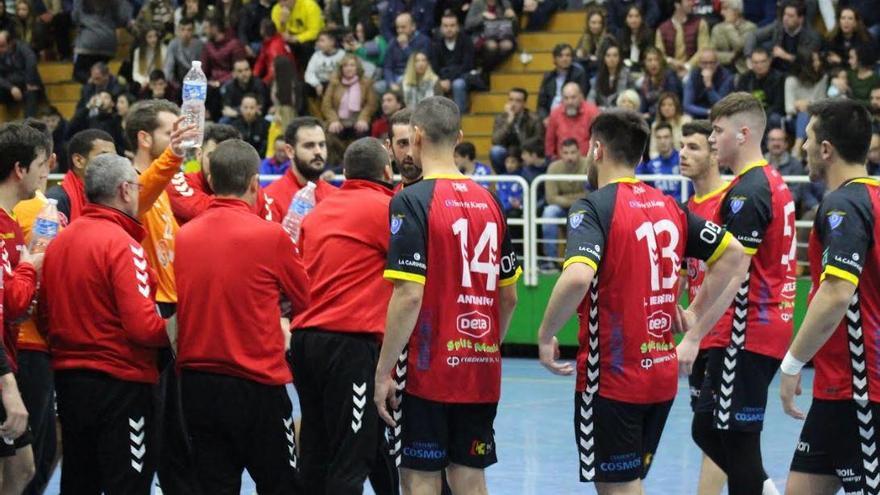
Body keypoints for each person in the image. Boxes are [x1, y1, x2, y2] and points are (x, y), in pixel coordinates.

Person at [535, 109, 747, 495]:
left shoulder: (594, 207)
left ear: (596, 150)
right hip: (660, 374)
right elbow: (734, 254)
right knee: (629, 482)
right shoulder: (670, 206)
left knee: (616, 486)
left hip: (613, 378)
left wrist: (547, 332)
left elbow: (578, 276)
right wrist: (695, 312)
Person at [374, 96, 521, 495]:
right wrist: (485, 347)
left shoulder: (411, 199)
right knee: (470, 476)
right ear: (458, 137)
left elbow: (408, 294)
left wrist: (383, 371)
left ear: (416, 136)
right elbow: (509, 299)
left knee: (419, 479)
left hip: (426, 371)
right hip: (479, 368)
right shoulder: (491, 202)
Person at [174, 139, 308, 494]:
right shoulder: (271, 235)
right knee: (281, 484)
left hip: (197, 384)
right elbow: (306, 296)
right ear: (255, 184)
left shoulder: (184, 236)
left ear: (212, 182)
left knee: (214, 485)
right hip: (256, 383)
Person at [37, 152, 171, 494]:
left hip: (69, 382)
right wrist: (178, 327)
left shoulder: (58, 243)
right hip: (122, 386)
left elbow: (44, 315)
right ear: (126, 190)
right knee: (129, 484)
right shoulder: (123, 245)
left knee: (79, 481)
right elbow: (143, 327)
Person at [687, 92, 796, 495]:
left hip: (746, 329)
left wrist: (695, 328)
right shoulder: (770, 182)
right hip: (764, 327)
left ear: (743, 133)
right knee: (723, 434)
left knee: (725, 434)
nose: (713, 139)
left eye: (717, 131)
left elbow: (733, 269)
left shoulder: (748, 192)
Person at [778, 98, 879, 495]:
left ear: (826, 148)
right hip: (837, 388)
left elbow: (836, 292)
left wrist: (791, 364)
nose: (800, 147)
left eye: (806, 138)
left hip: (860, 390)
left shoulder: (844, 203)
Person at [292, 137, 399, 495]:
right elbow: (411, 282)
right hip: (349, 345)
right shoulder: (388, 210)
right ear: (387, 170)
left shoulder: (319, 211)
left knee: (315, 451)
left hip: (306, 342)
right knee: (353, 456)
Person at [124, 100, 201, 494]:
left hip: (176, 310)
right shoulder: (130, 187)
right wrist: (174, 155)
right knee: (159, 424)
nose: (181, 137)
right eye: (172, 131)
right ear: (144, 137)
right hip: (154, 313)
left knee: (178, 427)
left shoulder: (165, 186)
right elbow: (140, 194)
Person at [679, 119, 731, 495]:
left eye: (694, 147)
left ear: (715, 153)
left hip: (726, 331)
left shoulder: (732, 201)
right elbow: (681, 273)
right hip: (698, 334)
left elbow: (736, 273)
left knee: (714, 430)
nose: (683, 153)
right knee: (710, 433)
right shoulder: (684, 210)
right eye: (682, 146)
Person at [0, 123, 49, 495]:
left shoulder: (13, 223)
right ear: (20, 169)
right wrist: (32, 263)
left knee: (23, 468)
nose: (44, 174)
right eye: (40, 165)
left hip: (11, 356)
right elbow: (14, 303)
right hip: (4, 366)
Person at [166, 123, 271, 224]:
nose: (219, 165)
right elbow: (218, 217)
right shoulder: (178, 183)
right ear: (199, 155)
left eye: (228, 158)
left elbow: (268, 232)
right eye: (212, 156)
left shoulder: (254, 189)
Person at [264, 117, 337, 221]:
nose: (318, 151)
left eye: (321, 145)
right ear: (289, 151)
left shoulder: (336, 196)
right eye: (309, 145)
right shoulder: (270, 198)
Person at [46, 128, 116, 221]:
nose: (113, 163)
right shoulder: (56, 200)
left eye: (114, 158)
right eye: (104, 157)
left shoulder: (114, 197)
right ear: (78, 161)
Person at [540, 138, 588, 271]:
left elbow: (591, 195)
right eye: (566, 153)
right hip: (561, 208)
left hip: (584, 207)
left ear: (579, 152)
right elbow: (551, 198)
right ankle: (550, 261)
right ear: (560, 154)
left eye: (573, 152)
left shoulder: (589, 165)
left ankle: (584, 262)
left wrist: (563, 198)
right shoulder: (554, 167)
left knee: (589, 211)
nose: (569, 157)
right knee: (549, 212)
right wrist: (578, 198)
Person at [322, 53, 378, 165]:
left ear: (357, 68)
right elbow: (326, 105)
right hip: (339, 122)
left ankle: (358, 167)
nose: (349, 68)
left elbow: (371, 104)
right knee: (328, 137)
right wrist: (333, 120)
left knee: (363, 137)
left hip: (358, 122)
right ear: (341, 68)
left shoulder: (366, 83)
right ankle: (336, 166)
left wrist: (363, 118)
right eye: (345, 66)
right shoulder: (334, 83)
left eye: (352, 65)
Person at [744, 0, 821, 74]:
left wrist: (786, 56)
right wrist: (748, 57)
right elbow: (753, 35)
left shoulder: (812, 37)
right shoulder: (778, 25)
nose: (785, 18)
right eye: (785, 14)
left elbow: (806, 62)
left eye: (790, 16)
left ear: (800, 19)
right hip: (774, 70)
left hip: (796, 74)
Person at [71, 0, 132, 84]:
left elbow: (75, 17)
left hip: (87, 42)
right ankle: (106, 85)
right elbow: (123, 19)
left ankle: (97, 83)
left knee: (78, 74)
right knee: (100, 73)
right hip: (108, 43)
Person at [765, 127, 820, 217]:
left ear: (786, 144)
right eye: (772, 140)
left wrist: (773, 202)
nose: (776, 143)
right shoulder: (760, 163)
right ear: (767, 143)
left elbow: (795, 194)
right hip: (764, 208)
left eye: (779, 140)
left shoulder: (795, 165)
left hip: (786, 211)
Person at [200, 16, 246, 120]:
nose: (204, 31)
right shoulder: (208, 45)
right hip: (212, 81)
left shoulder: (234, 44)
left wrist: (220, 82)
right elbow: (203, 69)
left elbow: (238, 70)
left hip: (230, 80)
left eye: (207, 28)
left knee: (220, 89)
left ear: (215, 28)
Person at [490, 88, 543, 174]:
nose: (513, 104)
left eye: (518, 101)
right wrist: (509, 122)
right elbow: (495, 140)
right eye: (511, 100)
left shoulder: (534, 118)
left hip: (525, 151)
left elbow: (538, 140)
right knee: (496, 151)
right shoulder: (501, 118)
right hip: (507, 152)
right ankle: (504, 178)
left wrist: (522, 149)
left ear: (524, 103)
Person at [785, 52, 828, 154]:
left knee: (807, 114)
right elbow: (789, 108)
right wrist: (799, 106)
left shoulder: (823, 78)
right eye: (815, 61)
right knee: (803, 115)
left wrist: (807, 104)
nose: (818, 63)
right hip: (794, 119)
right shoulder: (791, 81)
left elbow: (822, 104)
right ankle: (798, 147)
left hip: (816, 118)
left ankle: (797, 148)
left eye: (818, 60)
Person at [544, 82, 600, 160]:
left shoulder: (593, 112)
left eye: (573, 97)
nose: (570, 102)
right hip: (562, 163)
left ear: (581, 96)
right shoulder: (555, 114)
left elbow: (599, 140)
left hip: (588, 162)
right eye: (566, 98)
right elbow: (550, 142)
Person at [655, 0, 710, 78]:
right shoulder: (662, 29)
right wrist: (672, 62)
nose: (692, 3)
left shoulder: (700, 24)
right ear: (677, 4)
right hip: (670, 71)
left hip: (695, 71)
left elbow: (703, 49)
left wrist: (687, 67)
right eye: (688, 1)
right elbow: (659, 53)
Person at [430, 11, 473, 112]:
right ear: (441, 28)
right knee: (432, 84)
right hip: (443, 79)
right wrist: (440, 80)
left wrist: (449, 79)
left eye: (452, 25)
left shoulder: (467, 41)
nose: (449, 29)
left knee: (457, 84)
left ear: (458, 27)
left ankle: (458, 121)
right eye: (445, 26)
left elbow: (467, 66)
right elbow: (435, 67)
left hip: (463, 77)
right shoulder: (436, 44)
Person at [537, 43, 590, 121]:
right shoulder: (548, 77)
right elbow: (541, 105)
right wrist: (544, 118)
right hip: (550, 117)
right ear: (554, 59)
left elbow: (581, 100)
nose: (564, 59)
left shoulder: (579, 74)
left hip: (571, 114)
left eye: (568, 55)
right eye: (560, 56)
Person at [735, 48, 785, 129]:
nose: (759, 65)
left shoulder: (779, 78)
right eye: (756, 62)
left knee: (774, 119)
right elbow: (738, 101)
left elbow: (778, 105)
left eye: (763, 61)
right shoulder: (745, 78)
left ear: (769, 61)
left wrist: (760, 116)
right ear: (751, 63)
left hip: (770, 114)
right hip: (749, 114)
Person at [65, 90, 126, 155]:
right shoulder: (91, 120)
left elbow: (119, 145)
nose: (102, 99)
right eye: (100, 97)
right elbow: (71, 128)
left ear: (112, 103)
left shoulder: (116, 121)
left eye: (106, 97)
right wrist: (88, 107)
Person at [383, 12, 431, 93]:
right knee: (378, 86)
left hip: (416, 76)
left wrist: (405, 47)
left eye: (403, 27)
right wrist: (391, 83)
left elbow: (419, 64)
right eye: (397, 28)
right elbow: (388, 67)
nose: (400, 30)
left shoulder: (423, 41)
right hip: (396, 76)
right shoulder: (393, 43)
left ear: (413, 26)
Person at [271, 0, 325, 69]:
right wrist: (282, 23)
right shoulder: (276, 9)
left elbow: (314, 31)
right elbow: (277, 33)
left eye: (285, 1)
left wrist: (295, 38)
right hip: (288, 36)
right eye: (279, 1)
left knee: (305, 47)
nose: (281, 4)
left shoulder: (309, 5)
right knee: (277, 45)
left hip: (308, 37)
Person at [0, 30, 41, 117]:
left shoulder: (22, 47)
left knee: (31, 91)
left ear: (11, 43)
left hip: (26, 83)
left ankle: (29, 125)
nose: (0, 49)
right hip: (9, 86)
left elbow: (31, 62)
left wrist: (29, 82)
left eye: (2, 46)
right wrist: (11, 88)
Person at [683, 48, 734, 118]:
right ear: (699, 64)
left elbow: (722, 105)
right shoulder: (693, 75)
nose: (708, 66)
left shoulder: (725, 76)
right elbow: (687, 105)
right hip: (698, 114)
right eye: (705, 63)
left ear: (717, 63)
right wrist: (707, 112)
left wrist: (709, 87)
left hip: (720, 115)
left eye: (712, 62)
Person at [636, 122, 683, 198]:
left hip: (680, 207)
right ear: (655, 140)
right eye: (659, 137)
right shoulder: (651, 165)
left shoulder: (682, 160)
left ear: (672, 138)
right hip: (660, 207)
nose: (662, 141)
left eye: (666, 137)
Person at [710, 0, 756, 76]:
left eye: (725, 9)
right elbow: (711, 54)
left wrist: (729, 27)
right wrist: (731, 56)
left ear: (736, 11)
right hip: (721, 71)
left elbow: (739, 46)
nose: (721, 12)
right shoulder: (717, 28)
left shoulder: (750, 28)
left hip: (743, 71)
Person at [636, 47, 683, 118]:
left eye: (656, 60)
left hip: (670, 116)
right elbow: (643, 105)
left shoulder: (669, 76)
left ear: (661, 62)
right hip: (651, 117)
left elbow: (671, 102)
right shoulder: (646, 81)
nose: (653, 63)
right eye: (649, 60)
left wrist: (650, 113)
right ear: (645, 63)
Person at [587, 38, 633, 109]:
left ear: (619, 57)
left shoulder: (627, 75)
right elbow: (591, 98)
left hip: (621, 113)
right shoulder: (599, 75)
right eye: (608, 56)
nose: (612, 59)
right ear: (604, 58)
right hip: (602, 114)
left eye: (615, 55)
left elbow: (632, 99)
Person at [220, 58, 268, 122]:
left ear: (250, 71)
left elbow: (259, 110)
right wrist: (247, 110)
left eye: (246, 70)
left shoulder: (259, 84)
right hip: (236, 119)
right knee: (224, 120)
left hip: (256, 119)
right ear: (234, 74)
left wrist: (236, 112)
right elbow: (226, 110)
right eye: (240, 71)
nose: (244, 73)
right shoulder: (229, 86)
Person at [253, 18, 296, 85]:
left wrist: (263, 83)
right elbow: (260, 60)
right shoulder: (269, 42)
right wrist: (253, 76)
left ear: (262, 31)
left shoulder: (275, 47)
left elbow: (275, 70)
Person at [384, 108, 420, 187]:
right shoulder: (390, 197)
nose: (410, 153)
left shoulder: (443, 195)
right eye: (403, 143)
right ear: (389, 147)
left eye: (416, 143)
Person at [304, 31, 345, 99]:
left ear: (332, 42)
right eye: (319, 41)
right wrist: (316, 84)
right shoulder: (316, 55)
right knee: (303, 87)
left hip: (335, 83)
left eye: (322, 41)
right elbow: (309, 73)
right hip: (319, 83)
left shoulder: (342, 54)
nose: (319, 44)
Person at [618, 5, 654, 73]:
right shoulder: (621, 35)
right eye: (630, 16)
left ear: (642, 18)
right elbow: (620, 57)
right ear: (626, 19)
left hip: (643, 71)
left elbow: (649, 58)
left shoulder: (648, 35)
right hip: (625, 70)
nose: (633, 20)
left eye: (637, 16)